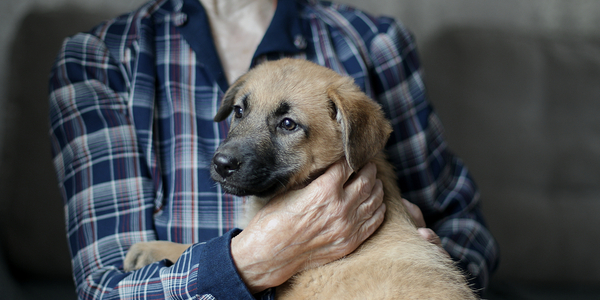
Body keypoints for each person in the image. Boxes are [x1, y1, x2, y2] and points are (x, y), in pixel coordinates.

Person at [48, 0, 499, 299]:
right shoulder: (101, 59)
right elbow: (103, 289)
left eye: (287, 124)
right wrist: (256, 259)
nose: (227, 153)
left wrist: (430, 257)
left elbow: (463, 221)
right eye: (239, 112)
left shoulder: (373, 42)